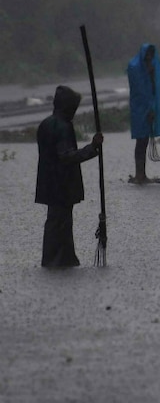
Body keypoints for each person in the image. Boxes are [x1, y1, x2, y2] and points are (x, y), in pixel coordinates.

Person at [35, 86, 103, 268]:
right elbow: (67, 156)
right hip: (62, 183)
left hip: (49, 182)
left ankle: (58, 258)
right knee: (61, 222)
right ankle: (58, 259)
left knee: (56, 220)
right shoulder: (62, 127)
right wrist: (92, 148)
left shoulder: (45, 124)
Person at [127, 42, 160, 184]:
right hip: (139, 109)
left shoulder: (151, 69)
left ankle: (142, 173)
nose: (149, 59)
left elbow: (153, 92)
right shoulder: (135, 68)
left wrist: (152, 109)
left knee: (144, 141)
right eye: (147, 56)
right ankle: (139, 174)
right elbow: (141, 92)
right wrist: (148, 109)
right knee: (140, 141)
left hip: (148, 108)